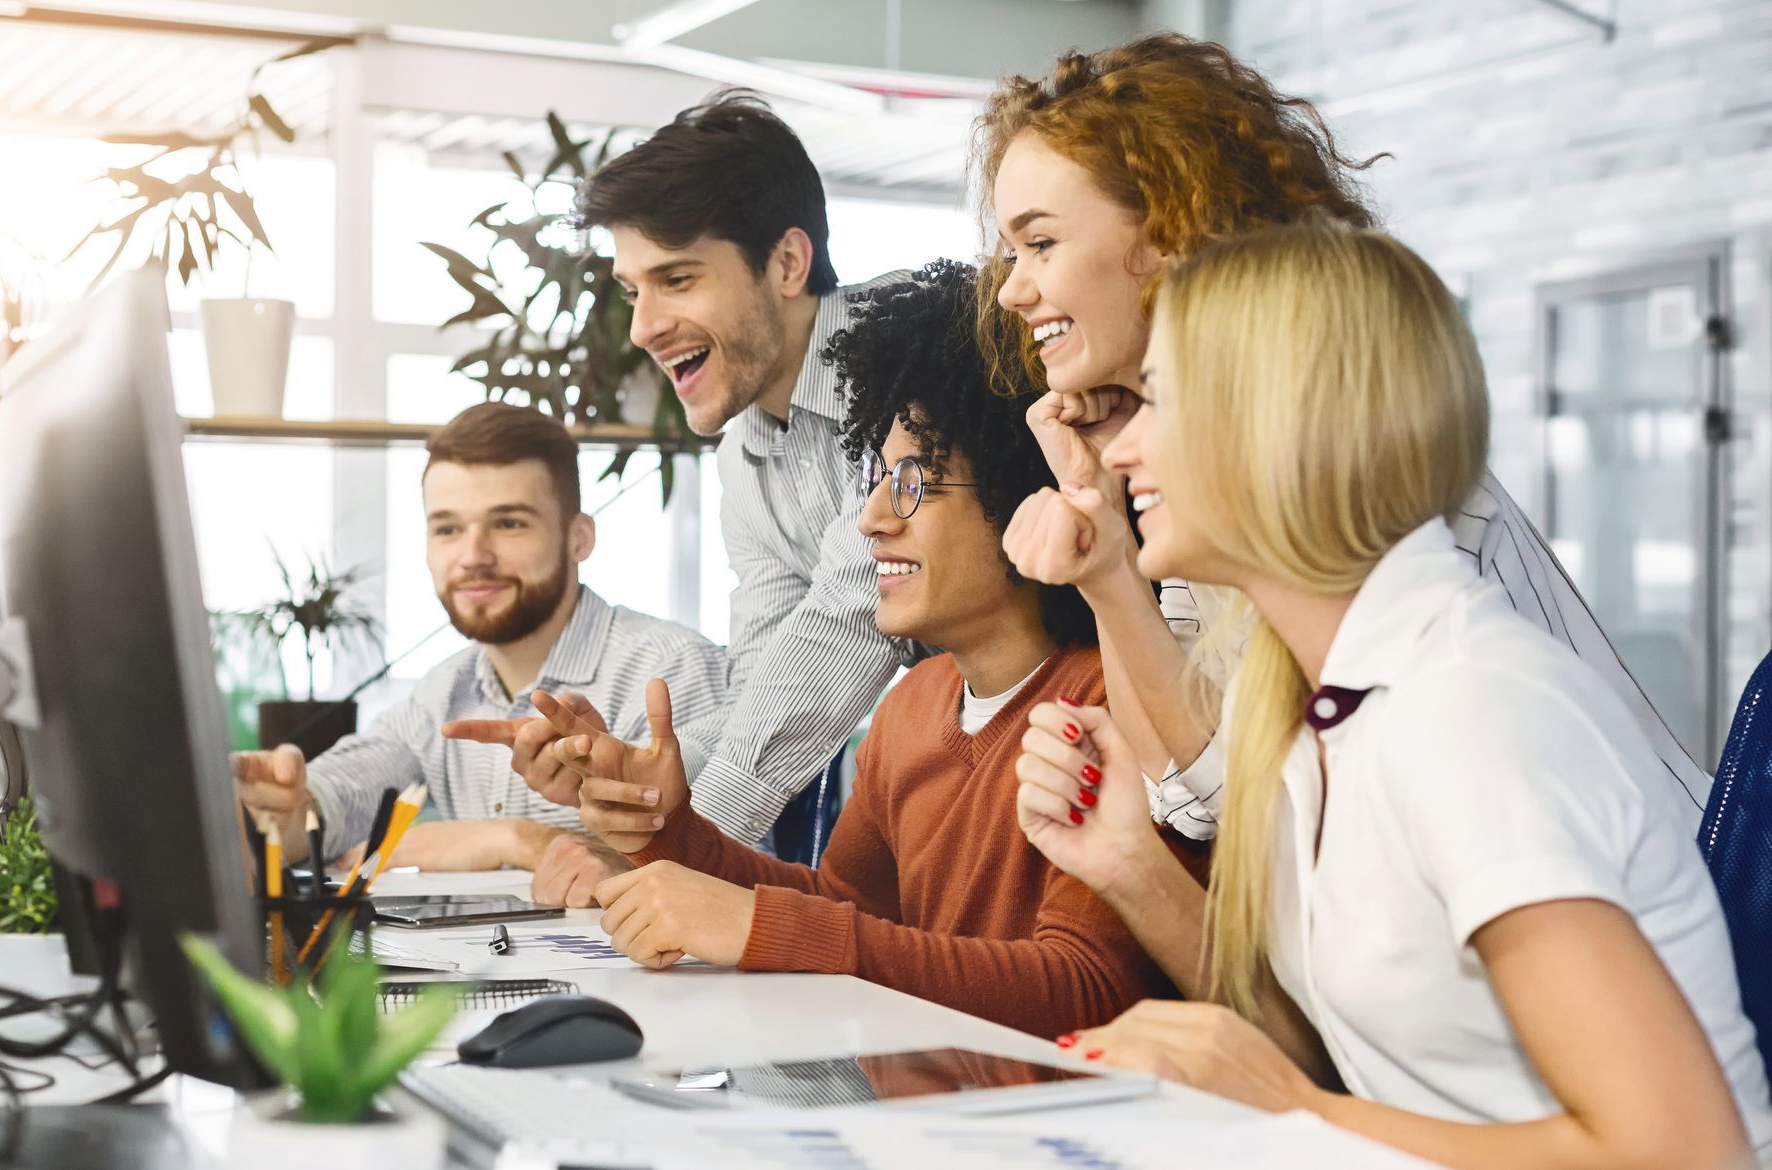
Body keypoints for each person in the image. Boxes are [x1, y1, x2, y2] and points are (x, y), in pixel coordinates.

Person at [1016, 223, 1772, 1169]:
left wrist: (1293, 1111)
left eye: (1160, 401)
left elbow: (1684, 1151)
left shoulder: (1470, 711)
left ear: (1282, 423)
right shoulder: (1319, 705)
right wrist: (1129, 860)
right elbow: (1339, 1061)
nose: (1125, 447)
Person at [983, 36, 1710, 842]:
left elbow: (1239, 799)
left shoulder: (1323, 442)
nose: (1013, 289)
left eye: (1040, 243)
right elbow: (1189, 799)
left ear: (1164, 230)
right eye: (1010, 252)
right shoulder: (1205, 456)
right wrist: (1107, 547)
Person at [543, 261, 1203, 1038]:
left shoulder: (1115, 704)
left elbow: (1084, 988)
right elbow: (851, 915)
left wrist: (760, 926)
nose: (873, 519)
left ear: (1021, 491)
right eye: (878, 478)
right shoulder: (916, 708)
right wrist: (672, 832)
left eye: (915, 482)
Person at [453, 91, 910, 854]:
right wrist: (641, 783)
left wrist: (674, 841)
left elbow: (848, 625)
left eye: (678, 279)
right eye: (634, 291)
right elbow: (769, 672)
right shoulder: (748, 453)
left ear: (788, 263)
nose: (641, 328)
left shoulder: (903, 353)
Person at [231, 403, 728, 877]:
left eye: (509, 523)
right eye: (447, 528)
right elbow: (341, 795)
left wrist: (518, 840)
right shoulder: (446, 691)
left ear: (579, 539)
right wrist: (283, 804)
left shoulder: (672, 671)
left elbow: (722, 863)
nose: (473, 556)